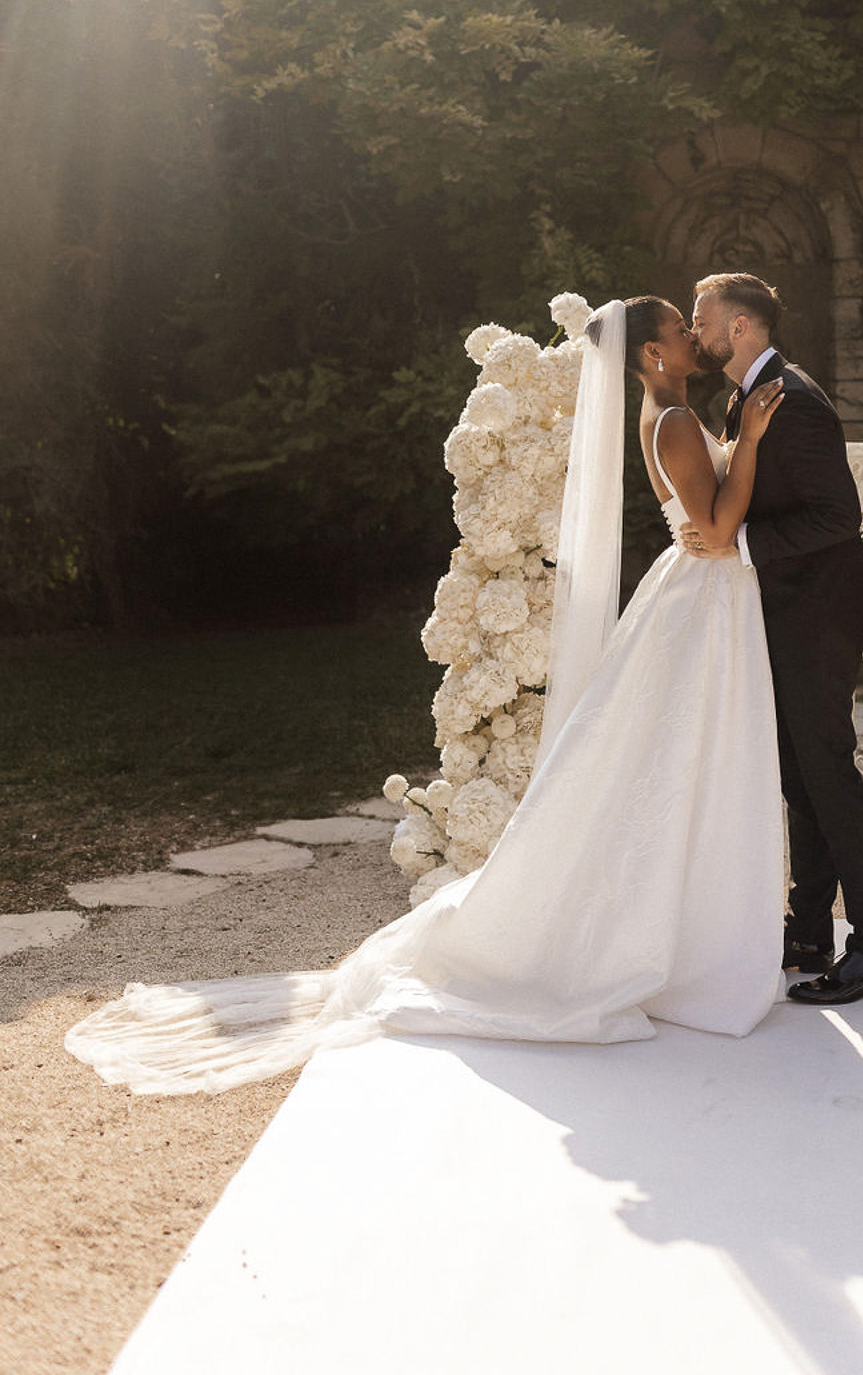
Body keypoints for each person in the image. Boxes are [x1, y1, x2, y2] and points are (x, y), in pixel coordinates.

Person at [65, 298, 788, 1095]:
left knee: (669, 765)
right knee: (682, 760)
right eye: (681, 331)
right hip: (702, 596)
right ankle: (672, 940)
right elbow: (717, 533)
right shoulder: (674, 420)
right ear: (652, 353)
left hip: (698, 599)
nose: (696, 335)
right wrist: (749, 440)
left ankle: (681, 931)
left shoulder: (673, 411)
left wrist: (739, 446)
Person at [688, 272, 863, 1008]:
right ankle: (809, 933)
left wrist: (738, 543)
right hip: (785, 618)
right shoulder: (744, 398)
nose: (695, 330)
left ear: (740, 326)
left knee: (830, 778)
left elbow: (837, 517)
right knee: (799, 780)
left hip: (817, 619)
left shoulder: (794, 400)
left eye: (702, 318)